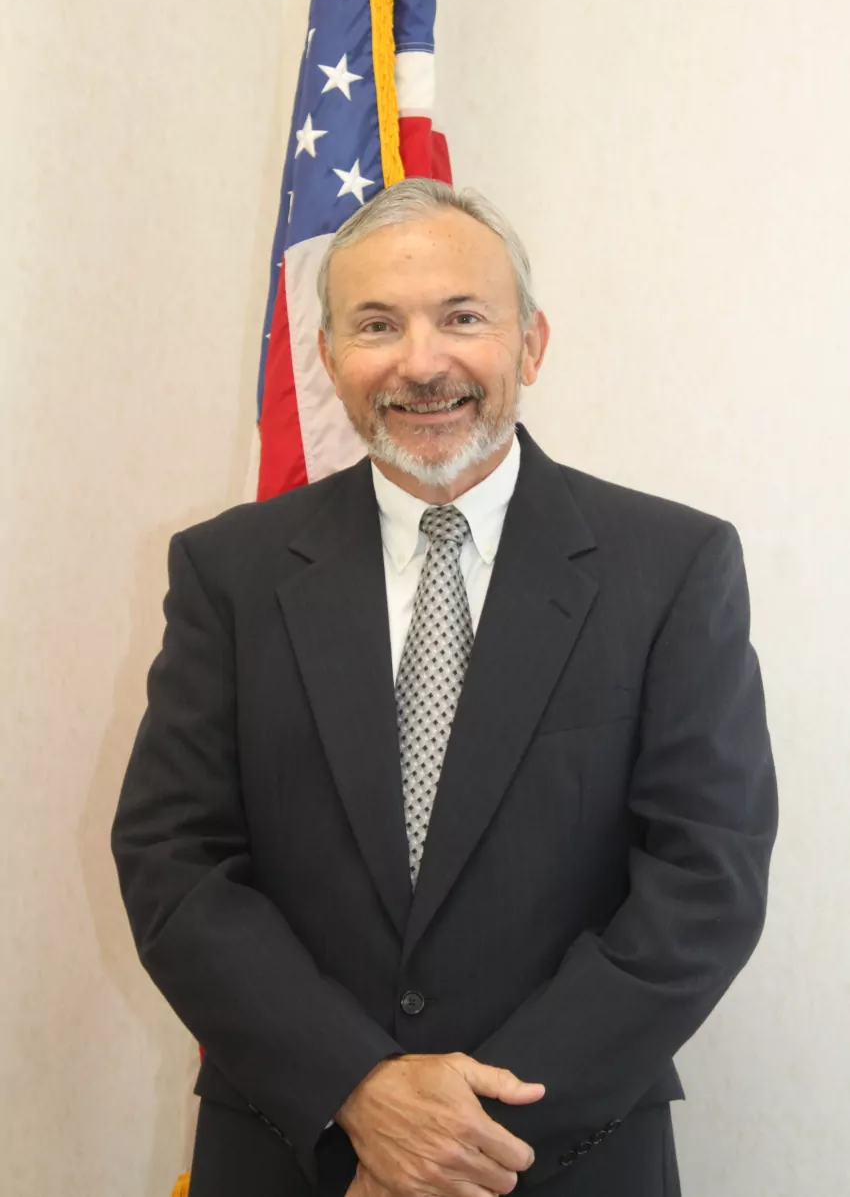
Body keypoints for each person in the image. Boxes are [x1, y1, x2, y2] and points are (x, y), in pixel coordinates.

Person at [111, 178, 778, 1197]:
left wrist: (465, 1138)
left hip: (564, 1153)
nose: (421, 363)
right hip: (298, 1150)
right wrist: (358, 1090)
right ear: (328, 356)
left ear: (531, 344)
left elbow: (705, 879)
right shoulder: (228, 571)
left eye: (462, 317)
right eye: (377, 324)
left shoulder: (673, 566)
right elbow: (173, 861)